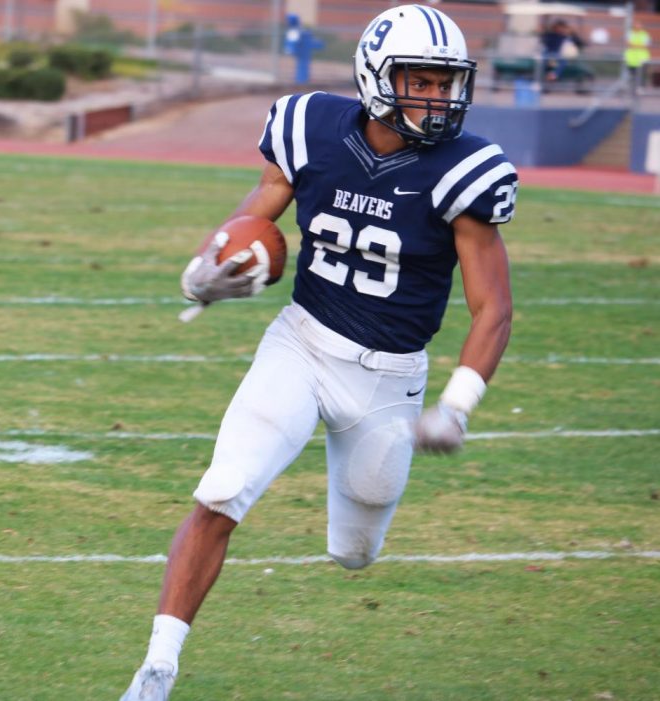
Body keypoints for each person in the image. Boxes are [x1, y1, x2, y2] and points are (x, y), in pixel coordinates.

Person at [119, 4, 516, 700]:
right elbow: (257, 212)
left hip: (389, 381)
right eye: (418, 80)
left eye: (445, 82)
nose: (436, 97)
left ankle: (358, 523)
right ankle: (156, 668)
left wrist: (457, 405)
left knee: (354, 552)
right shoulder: (310, 129)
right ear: (374, 75)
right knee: (221, 490)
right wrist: (204, 272)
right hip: (300, 345)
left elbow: (494, 308)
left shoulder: (465, 171)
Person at [624, 21, 652, 94]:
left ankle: (640, 87)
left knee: (642, 73)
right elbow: (628, 44)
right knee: (632, 73)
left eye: (639, 25)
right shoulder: (630, 33)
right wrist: (638, 45)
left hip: (642, 57)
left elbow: (645, 45)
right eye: (636, 25)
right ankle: (631, 87)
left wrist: (635, 45)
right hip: (631, 58)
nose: (638, 27)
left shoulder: (645, 34)